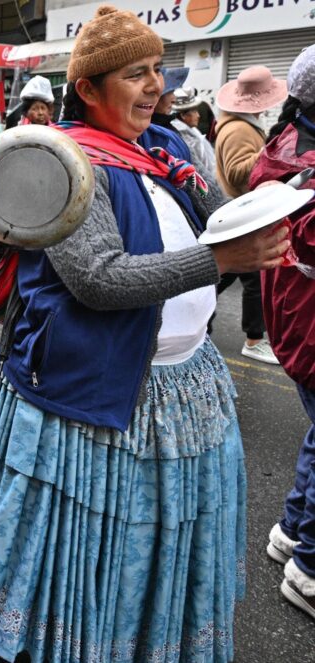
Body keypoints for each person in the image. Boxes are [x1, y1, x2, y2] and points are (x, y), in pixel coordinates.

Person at [0, 6, 288, 661]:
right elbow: (98, 278)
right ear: (88, 89)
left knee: (151, 553)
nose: (156, 84)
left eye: (158, 69)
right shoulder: (64, 163)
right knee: (75, 561)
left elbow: (218, 225)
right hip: (90, 401)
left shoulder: (165, 150)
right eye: (136, 73)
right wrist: (222, 261)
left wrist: (265, 214)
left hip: (176, 392)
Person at [250, 45, 315, 622]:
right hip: (309, 320)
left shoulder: (283, 148)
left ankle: (294, 532)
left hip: (295, 317)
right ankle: (310, 568)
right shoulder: (302, 165)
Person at [214, 65, 287, 365]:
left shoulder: (241, 125)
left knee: (224, 274)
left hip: (242, 212)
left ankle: (191, 316)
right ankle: (254, 339)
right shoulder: (239, 129)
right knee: (251, 278)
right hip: (242, 213)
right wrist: (271, 152)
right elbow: (237, 172)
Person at [171, 87, 218, 179]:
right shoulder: (185, 137)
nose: (198, 115)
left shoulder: (192, 131)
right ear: (183, 115)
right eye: (194, 111)